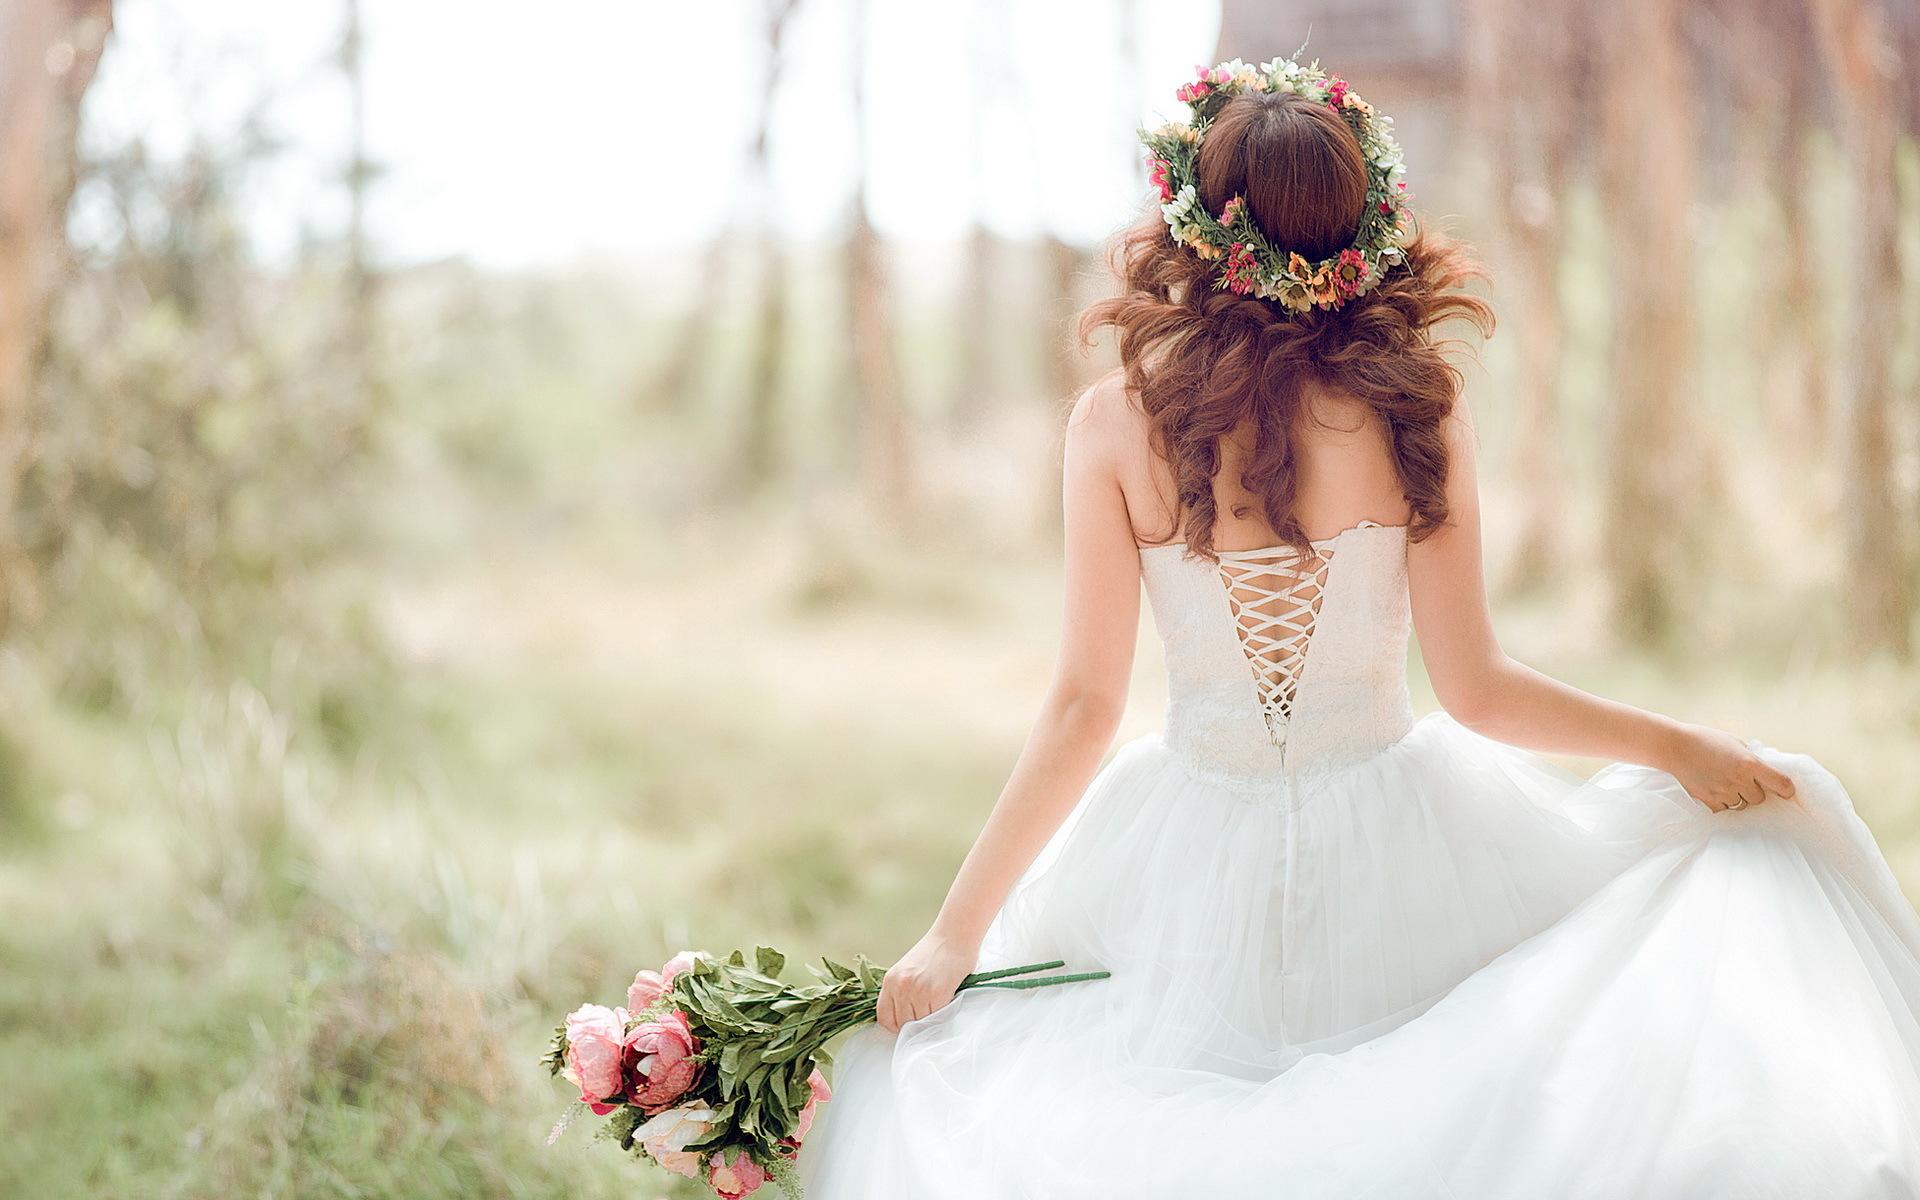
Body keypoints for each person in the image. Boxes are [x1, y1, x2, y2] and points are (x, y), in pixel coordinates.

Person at [799, 59, 1920, 1198]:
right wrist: (1679, 746)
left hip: (1188, 852)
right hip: (1407, 837)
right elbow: (1478, 688)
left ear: (1194, 225)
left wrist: (954, 933)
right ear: (1359, 228)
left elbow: (1086, 708)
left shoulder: (1114, 426)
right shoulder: (1413, 407)